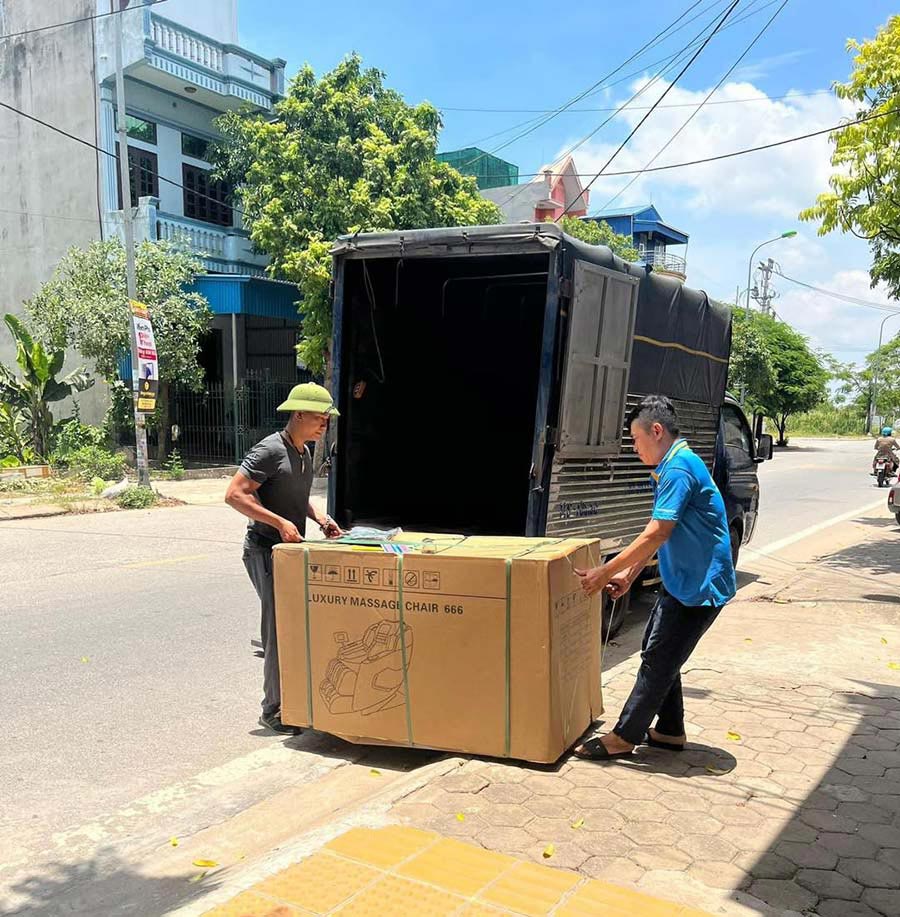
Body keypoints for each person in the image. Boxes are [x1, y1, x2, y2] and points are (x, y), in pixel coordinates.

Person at [573, 394, 736, 760]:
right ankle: (669, 731)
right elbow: (664, 535)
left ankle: (624, 736)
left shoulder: (678, 468)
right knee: (660, 651)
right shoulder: (674, 465)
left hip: (700, 587)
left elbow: (656, 532)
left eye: (635, 438)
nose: (634, 447)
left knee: (658, 660)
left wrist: (604, 572)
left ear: (656, 430)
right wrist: (629, 576)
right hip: (683, 580)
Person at [226, 382, 344, 735]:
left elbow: (295, 495)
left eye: (327, 419)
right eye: (319, 417)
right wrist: (278, 522)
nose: (324, 424)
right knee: (278, 631)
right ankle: (272, 710)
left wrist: (319, 518)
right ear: (298, 414)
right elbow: (234, 494)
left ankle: (293, 700)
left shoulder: (304, 452)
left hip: (290, 554)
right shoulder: (270, 450)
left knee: (292, 628)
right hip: (265, 551)